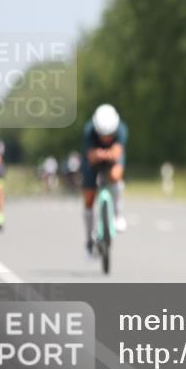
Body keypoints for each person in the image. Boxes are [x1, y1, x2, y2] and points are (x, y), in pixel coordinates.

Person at [81, 104, 128, 257]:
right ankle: (89, 239)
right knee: (89, 197)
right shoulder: (89, 131)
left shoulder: (121, 129)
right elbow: (91, 157)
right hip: (92, 163)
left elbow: (116, 154)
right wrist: (102, 154)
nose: (106, 138)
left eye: (109, 135)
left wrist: (103, 154)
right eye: (102, 135)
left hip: (110, 159)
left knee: (115, 176)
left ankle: (118, 215)